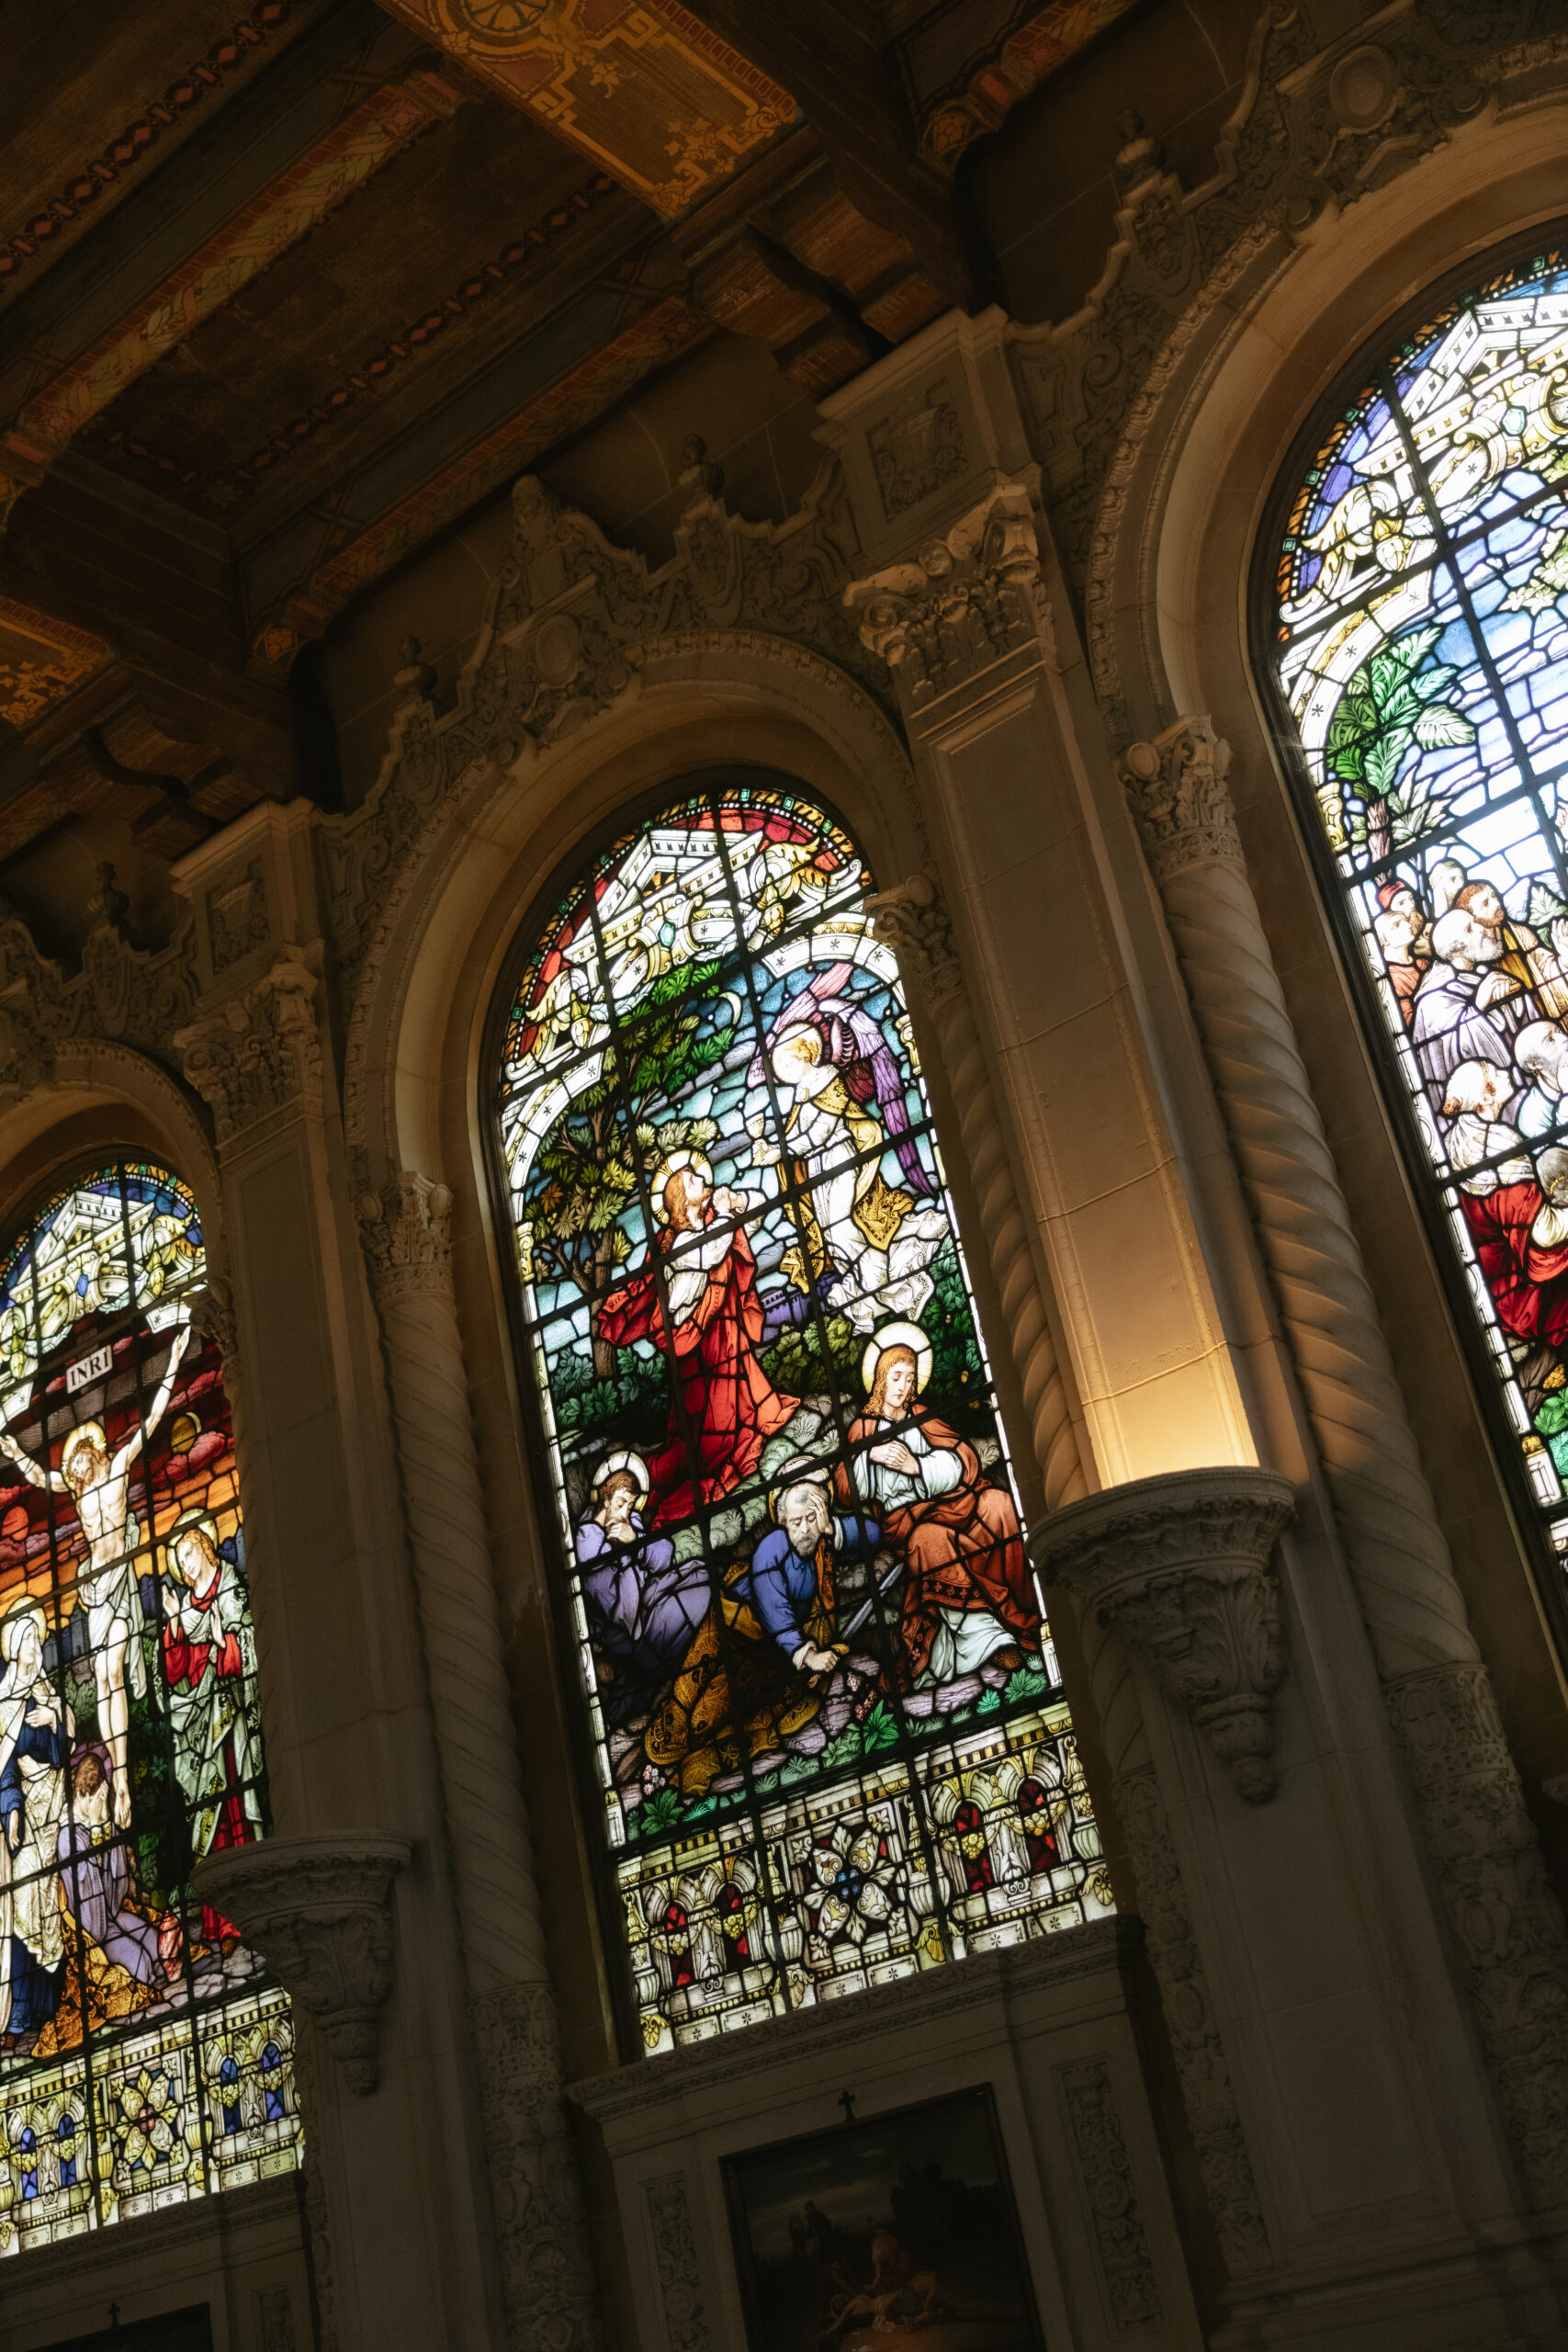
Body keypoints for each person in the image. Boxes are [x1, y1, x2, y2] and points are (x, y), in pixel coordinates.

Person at [0, 1318, 191, 1826]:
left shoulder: (121, 1464)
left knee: (116, 1676)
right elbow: (43, 1477)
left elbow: (150, 1422)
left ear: (93, 1452)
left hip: (121, 1582)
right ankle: (121, 1775)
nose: (75, 1471)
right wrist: (18, 1452)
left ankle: (123, 1778)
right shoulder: (78, 1490)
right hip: (96, 1589)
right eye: (72, 1467)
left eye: (79, 1460)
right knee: (105, 1679)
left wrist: (171, 1366)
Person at [642, 1469, 878, 1796]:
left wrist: (832, 1528)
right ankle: (669, 1744)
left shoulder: (820, 1542)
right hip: (732, 1628)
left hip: (770, 1652)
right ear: (782, 1520)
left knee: (709, 1719)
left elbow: (873, 1534)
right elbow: (772, 1602)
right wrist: (807, 1655)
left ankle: (696, 1765)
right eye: (796, 1521)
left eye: (812, 1517)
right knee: (685, 1707)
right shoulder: (774, 1546)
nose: (805, 1529)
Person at [592, 1152, 798, 1527]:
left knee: (741, 1394)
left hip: (724, 1328)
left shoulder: (708, 1223)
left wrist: (736, 1203)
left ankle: (746, 1429)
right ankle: (711, 1461)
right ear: (679, 1200)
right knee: (709, 1423)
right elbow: (709, 1251)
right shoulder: (677, 1244)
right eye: (691, 1180)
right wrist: (722, 1216)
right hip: (696, 1347)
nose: (702, 1180)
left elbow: (757, 1212)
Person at [837, 1327, 1037, 1686]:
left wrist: (918, 1466)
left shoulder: (922, 1415)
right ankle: (989, 1639)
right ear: (881, 1379)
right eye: (896, 1377)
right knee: (929, 1539)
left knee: (999, 1503)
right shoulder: (863, 1429)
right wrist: (871, 1455)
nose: (902, 1386)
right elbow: (843, 1488)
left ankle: (1027, 1609)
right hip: (910, 1521)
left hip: (952, 1501)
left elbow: (965, 1459)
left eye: (909, 1378)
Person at [574, 1455, 709, 1727]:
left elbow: (665, 1555)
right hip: (626, 1632)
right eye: (621, 1503)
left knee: (701, 1574)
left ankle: (658, 1661)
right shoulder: (586, 1544)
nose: (626, 1512)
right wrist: (626, 1553)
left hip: (648, 1602)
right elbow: (622, 1609)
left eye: (631, 1505)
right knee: (689, 1602)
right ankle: (652, 1668)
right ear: (605, 1498)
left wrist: (635, 1542)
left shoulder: (628, 1522)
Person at [0, 1600, 72, 2045]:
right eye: (25, 1637)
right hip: (23, 1812)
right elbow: (2, 1763)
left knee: (47, 1901)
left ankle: (48, 2004)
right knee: (24, 1898)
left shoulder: (45, 1690)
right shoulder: (3, 1700)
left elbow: (63, 1748)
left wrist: (56, 1716)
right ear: (12, 1645)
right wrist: (9, 1809)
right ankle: (20, 2014)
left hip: (53, 1806)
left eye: (35, 1637)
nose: (33, 1644)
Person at [57, 1748, 159, 1984]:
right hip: (92, 1932)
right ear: (82, 1795)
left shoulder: (101, 1824)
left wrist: (104, 1830)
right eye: (97, 1801)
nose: (101, 1807)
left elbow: (118, 1890)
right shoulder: (66, 1838)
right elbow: (88, 1907)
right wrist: (94, 1828)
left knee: (156, 1944)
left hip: (112, 1915)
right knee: (141, 1964)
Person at [1411, 910, 1518, 1101]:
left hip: (1511, 1076)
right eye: (1470, 929)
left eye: (1475, 923)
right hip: (1483, 1096)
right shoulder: (1432, 1000)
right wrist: (1478, 1005)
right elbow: (1448, 1054)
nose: (1481, 929)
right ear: (1456, 951)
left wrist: (1510, 995)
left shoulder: (1480, 973)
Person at [1515, 1022, 1568, 1141]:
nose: (1564, 1038)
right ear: (1534, 1064)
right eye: (1550, 1040)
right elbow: (1559, 1154)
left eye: (1558, 1031)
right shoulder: (1531, 1116)